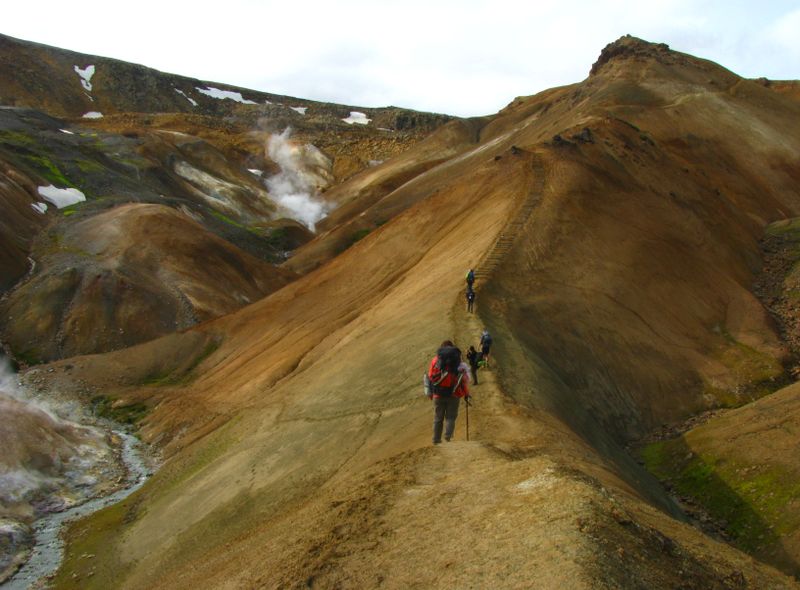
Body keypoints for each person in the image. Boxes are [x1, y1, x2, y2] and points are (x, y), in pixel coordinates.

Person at [426, 340, 470, 444]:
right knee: (451, 417)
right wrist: (466, 393)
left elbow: (430, 377)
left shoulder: (435, 360)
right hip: (454, 394)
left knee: (438, 418)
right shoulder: (458, 361)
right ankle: (447, 438)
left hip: (438, 394)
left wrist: (430, 392)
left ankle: (436, 440)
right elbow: (464, 380)